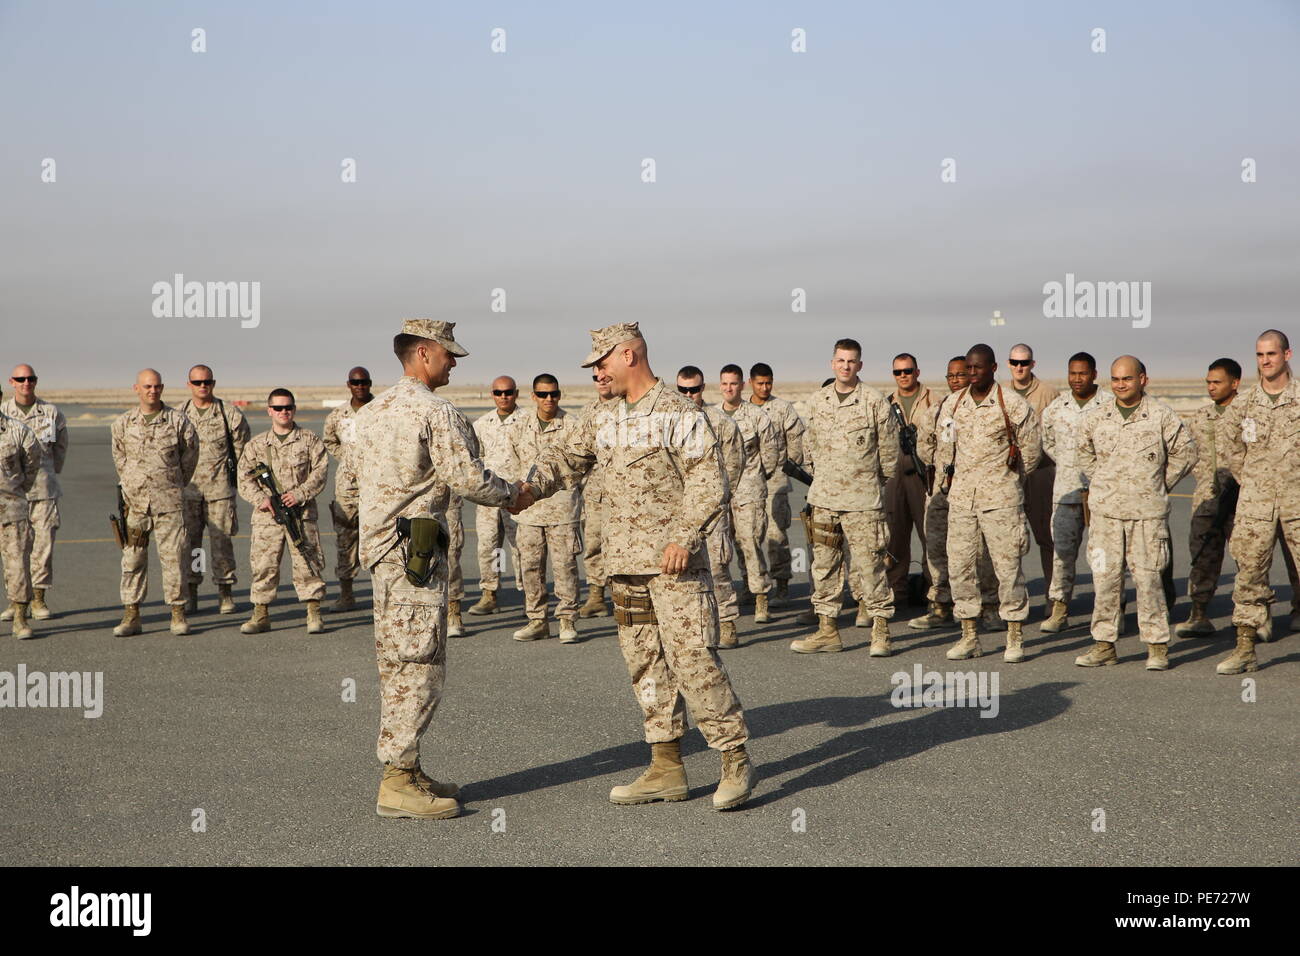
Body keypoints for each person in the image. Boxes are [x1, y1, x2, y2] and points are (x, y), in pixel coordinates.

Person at [517, 322, 753, 811]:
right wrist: (525, 489)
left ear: (628, 355)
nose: (596, 373)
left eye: (602, 363)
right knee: (646, 666)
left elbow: (708, 478)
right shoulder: (601, 414)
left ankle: (734, 760)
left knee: (694, 661)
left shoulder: (677, 412)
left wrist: (685, 536)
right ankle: (666, 767)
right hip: (624, 565)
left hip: (674, 566)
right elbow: (565, 457)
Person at [355, 319, 528, 820]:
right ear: (424, 353)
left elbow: (351, 486)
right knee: (419, 666)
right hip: (414, 559)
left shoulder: (371, 412)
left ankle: (407, 769)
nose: (454, 362)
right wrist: (513, 494)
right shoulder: (436, 411)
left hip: (385, 556)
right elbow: (467, 478)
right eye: (449, 353)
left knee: (397, 663)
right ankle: (397, 781)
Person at [1073, 357, 1195, 670]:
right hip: (1106, 515)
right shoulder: (1097, 417)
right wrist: (1103, 481)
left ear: (1143, 379)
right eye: (1115, 379)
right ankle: (1104, 645)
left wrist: (1159, 483)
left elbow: (1186, 452)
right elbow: (1083, 452)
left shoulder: (1161, 415)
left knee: (1149, 579)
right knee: (1105, 580)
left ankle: (1157, 647)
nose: (1120, 384)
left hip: (1146, 515)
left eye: (1127, 378)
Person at [931, 344, 1041, 662]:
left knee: (1008, 569)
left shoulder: (1013, 405)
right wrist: (948, 482)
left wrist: (1008, 482)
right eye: (968, 368)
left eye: (978, 367)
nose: (972, 373)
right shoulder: (954, 404)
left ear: (993, 368)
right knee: (961, 567)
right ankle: (969, 636)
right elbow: (945, 450)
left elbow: (1031, 452)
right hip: (963, 500)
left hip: (1001, 500)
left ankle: (1014, 636)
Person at [1177, 357, 1300, 640]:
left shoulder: (1250, 411)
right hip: (1209, 499)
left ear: (1234, 383)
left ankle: (1262, 615)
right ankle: (1199, 613)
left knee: (1252, 561)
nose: (1211, 387)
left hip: (1248, 500)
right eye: (1208, 382)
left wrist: (1250, 484)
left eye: (1217, 382)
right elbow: (1187, 454)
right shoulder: (1200, 418)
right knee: (1202, 557)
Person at [791, 338, 898, 655]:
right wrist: (825, 479)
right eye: (840, 360)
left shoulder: (874, 402)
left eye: (851, 361)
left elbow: (889, 457)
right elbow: (809, 449)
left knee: (871, 566)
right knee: (824, 567)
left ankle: (880, 632)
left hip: (863, 502)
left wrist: (866, 484)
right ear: (832, 363)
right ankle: (827, 631)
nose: (846, 366)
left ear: (859, 365)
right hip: (824, 500)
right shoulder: (818, 401)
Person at [1216, 330, 1300, 674]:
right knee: (1249, 576)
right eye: (1260, 355)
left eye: (1271, 354)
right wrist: (1253, 482)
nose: (1265, 361)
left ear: (1287, 355)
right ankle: (1245, 650)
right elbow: (1230, 448)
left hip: (1297, 502)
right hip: (1256, 505)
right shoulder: (1245, 404)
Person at [910, 356, 997, 630]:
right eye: (951, 376)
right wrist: (939, 469)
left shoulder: (985, 408)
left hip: (975, 492)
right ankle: (941, 605)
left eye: (961, 375)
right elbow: (924, 446)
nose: (956, 380)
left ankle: (989, 606)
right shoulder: (937, 410)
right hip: (941, 491)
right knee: (937, 549)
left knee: (981, 553)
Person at [110, 369, 200, 636]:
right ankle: (132, 614)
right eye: (147, 386)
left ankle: (178, 613)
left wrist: (172, 484)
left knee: (175, 559)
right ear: (136, 388)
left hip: (169, 503)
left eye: (157, 386)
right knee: (132, 559)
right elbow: (120, 459)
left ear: (162, 388)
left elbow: (189, 458)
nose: (152, 391)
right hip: (136, 505)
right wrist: (133, 483)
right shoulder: (123, 423)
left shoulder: (178, 421)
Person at [236, 389, 329, 635]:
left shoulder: (309, 440)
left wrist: (300, 493)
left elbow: (320, 471)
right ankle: (260, 614)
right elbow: (244, 478)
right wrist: (261, 499)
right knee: (263, 565)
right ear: (270, 411)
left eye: (288, 407)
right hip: (267, 516)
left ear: (294, 409)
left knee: (308, 563)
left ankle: (313, 613)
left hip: (301, 515)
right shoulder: (257, 445)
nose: (283, 412)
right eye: (278, 408)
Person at [1039, 352, 1110, 632]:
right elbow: (1048, 443)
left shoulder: (1109, 405)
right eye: (1072, 373)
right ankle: (1059, 609)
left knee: (1102, 556)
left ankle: (1109, 610)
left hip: (1102, 494)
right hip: (1067, 492)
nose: (1077, 379)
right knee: (1062, 554)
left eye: (1083, 373)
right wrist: (1069, 464)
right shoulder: (1057, 408)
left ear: (1094, 374)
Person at [509, 374, 583, 644]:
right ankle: (537, 620)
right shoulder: (520, 425)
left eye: (553, 394)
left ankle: (567, 620)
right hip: (529, 511)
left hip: (562, 509)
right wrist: (513, 496)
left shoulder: (573, 425)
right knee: (530, 567)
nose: (548, 399)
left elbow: (581, 466)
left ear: (560, 395)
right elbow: (512, 464)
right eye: (542, 394)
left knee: (565, 567)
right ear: (533, 396)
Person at [679, 365, 745, 649]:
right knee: (683, 569)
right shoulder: (668, 424)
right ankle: (692, 625)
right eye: (683, 390)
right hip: (680, 511)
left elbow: (735, 465)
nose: (688, 395)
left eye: (694, 390)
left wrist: (719, 500)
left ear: (703, 389)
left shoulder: (720, 422)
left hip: (712, 510)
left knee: (717, 566)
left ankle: (727, 621)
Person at [179, 365, 250, 616]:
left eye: (207, 382)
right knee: (192, 545)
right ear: (189, 384)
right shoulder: (178, 415)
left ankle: (225, 592)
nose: (202, 386)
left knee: (222, 544)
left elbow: (244, 453)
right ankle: (192, 590)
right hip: (188, 493)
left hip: (220, 492)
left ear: (213, 383)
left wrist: (241, 484)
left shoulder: (229, 414)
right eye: (197, 382)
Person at [0, 366, 66, 622]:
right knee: (13, 550)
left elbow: (60, 449)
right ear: (12, 382)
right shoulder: (4, 412)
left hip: (43, 490)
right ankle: (15, 600)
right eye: (21, 379)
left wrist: (49, 472)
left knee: (43, 545)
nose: (26, 383)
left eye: (30, 378)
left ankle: (38, 597)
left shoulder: (50, 413)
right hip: (12, 494)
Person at [718, 364, 779, 623]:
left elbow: (771, 454)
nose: (729, 388)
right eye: (725, 384)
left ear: (742, 385)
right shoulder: (713, 417)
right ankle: (745, 586)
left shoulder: (756, 416)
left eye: (734, 383)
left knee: (750, 543)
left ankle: (761, 596)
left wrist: (755, 480)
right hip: (722, 493)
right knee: (726, 546)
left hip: (749, 491)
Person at [747, 362, 805, 605]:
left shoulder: (783, 409)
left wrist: (785, 467)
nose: (764, 387)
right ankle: (752, 587)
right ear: (750, 383)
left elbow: (796, 442)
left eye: (768, 383)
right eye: (760, 383)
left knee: (776, 535)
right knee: (748, 537)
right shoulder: (743, 410)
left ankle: (781, 585)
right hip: (748, 483)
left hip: (776, 483)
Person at [465, 376, 524, 615]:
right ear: (492, 394)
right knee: (490, 547)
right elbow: (475, 458)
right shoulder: (482, 424)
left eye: (508, 392)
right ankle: (490, 593)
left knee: (521, 547)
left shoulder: (527, 421)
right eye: (498, 392)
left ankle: (528, 594)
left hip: (518, 497)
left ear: (516, 393)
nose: (503, 396)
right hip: (490, 499)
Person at [884, 353, 936, 608]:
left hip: (924, 476)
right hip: (895, 477)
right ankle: (897, 591)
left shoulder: (934, 401)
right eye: (898, 372)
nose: (903, 376)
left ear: (917, 372)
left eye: (907, 370)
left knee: (930, 535)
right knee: (894, 536)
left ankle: (933, 592)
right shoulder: (886, 404)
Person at [1008, 343, 1060, 599]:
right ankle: (1010, 599)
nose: (1019, 367)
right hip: (1009, 474)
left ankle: (1054, 597)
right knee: (1008, 540)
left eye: (1024, 362)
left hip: (1040, 472)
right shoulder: (1000, 393)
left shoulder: (1049, 394)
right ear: (1008, 364)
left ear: (1032, 364)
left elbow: (1060, 433)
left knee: (1047, 537)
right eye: (1015, 362)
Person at [322, 367, 374, 613]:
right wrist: (347, 459)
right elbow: (329, 440)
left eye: (363, 382)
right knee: (345, 541)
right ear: (349, 384)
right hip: (347, 488)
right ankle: (346, 594)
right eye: (355, 382)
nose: (359, 386)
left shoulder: (382, 410)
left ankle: (382, 594)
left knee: (380, 539)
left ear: (370, 384)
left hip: (378, 486)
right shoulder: (337, 415)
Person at [0, 393, 41, 639]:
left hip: (11, 508)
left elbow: (32, 465)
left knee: (18, 564)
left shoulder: (18, 431)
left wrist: (15, 491)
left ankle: (20, 617)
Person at [577, 373, 614, 618]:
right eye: (596, 377)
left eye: (606, 377)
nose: (601, 381)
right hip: (594, 495)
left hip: (624, 496)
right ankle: (596, 596)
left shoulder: (628, 407)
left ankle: (627, 597)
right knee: (593, 545)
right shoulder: (587, 412)